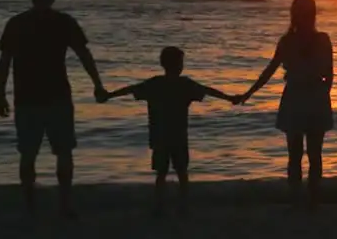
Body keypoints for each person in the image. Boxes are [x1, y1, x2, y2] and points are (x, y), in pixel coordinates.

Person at [0, 0, 106, 219]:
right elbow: (84, 56)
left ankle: (30, 207)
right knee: (64, 152)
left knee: (28, 154)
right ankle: (64, 205)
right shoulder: (64, 22)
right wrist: (97, 84)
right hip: (57, 96)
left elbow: (5, 62)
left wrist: (1, 95)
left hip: (26, 97)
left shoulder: (17, 23)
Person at [103, 46, 241, 216]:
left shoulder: (154, 84)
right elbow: (207, 90)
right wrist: (230, 98)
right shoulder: (185, 85)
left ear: (163, 64)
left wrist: (109, 95)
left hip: (159, 136)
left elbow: (130, 89)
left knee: (161, 173)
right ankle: (183, 206)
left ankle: (160, 206)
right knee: (182, 172)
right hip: (178, 136)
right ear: (179, 65)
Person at [239, 0, 334, 210]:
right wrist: (321, 95)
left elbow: (269, 72)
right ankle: (313, 201)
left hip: (295, 98)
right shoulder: (322, 40)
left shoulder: (288, 41)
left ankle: (297, 200)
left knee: (295, 154)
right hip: (315, 97)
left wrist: (248, 94)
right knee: (314, 154)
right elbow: (329, 75)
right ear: (313, 14)